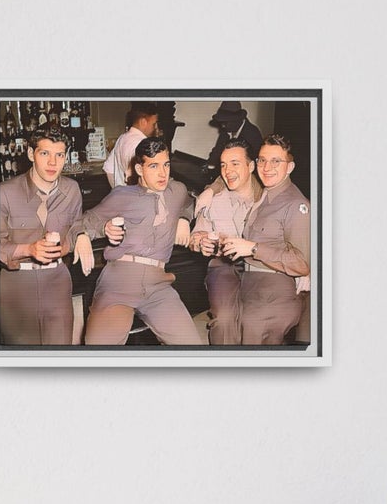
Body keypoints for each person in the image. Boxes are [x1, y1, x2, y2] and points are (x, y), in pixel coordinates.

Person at [81, 136, 199, 345]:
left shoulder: (177, 190)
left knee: (192, 347)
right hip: (119, 282)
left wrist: (184, 217)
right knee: (99, 350)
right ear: (139, 169)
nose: (163, 173)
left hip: (158, 286)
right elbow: (86, 220)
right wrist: (98, 229)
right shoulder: (122, 195)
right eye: (154, 166)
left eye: (166, 165)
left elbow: (191, 202)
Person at [219, 134, 310, 344]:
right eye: (262, 160)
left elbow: (302, 263)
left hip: (274, 290)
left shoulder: (295, 205)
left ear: (290, 167)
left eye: (276, 161)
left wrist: (252, 248)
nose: (267, 167)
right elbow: (227, 173)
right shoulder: (266, 193)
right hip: (249, 283)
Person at [0, 127, 83, 345]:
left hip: (57, 281)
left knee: (59, 356)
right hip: (16, 285)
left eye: (59, 155)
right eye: (45, 153)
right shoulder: (4, 192)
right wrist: (29, 249)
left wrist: (76, 241)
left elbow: (76, 227)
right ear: (30, 154)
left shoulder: (72, 190)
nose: (53, 163)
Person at [190, 142, 261, 345]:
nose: (227, 171)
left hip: (259, 268)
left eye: (235, 163)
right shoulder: (213, 199)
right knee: (224, 319)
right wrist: (199, 242)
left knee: (257, 320)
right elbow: (196, 236)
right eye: (223, 165)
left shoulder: (267, 199)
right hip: (223, 267)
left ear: (251, 166)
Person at [201, 100, 263, 186]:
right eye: (222, 122)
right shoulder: (227, 130)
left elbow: (256, 165)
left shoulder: (252, 133)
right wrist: (208, 167)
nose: (223, 126)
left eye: (226, 122)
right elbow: (217, 151)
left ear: (237, 120)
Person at [102, 103, 162, 187]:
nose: (156, 128)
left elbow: (108, 168)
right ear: (143, 122)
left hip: (123, 196)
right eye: (154, 124)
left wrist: (117, 191)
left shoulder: (122, 138)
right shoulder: (143, 144)